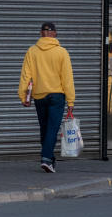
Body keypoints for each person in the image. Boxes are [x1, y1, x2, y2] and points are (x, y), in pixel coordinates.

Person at [18, 21, 75, 173]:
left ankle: (49, 159)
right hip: (57, 96)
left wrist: (23, 95)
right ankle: (46, 158)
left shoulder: (32, 51)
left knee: (44, 128)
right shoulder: (62, 52)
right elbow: (67, 79)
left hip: (39, 96)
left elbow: (26, 75)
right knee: (52, 128)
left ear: (41, 33)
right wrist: (71, 101)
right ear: (54, 33)